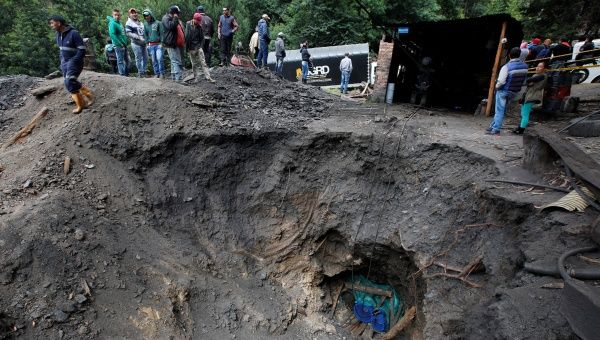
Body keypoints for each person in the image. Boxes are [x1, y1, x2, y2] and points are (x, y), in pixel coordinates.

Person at [48, 15, 93, 114]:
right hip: (65, 62)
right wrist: (62, 62)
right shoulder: (58, 35)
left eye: (52, 23)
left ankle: (80, 106)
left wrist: (74, 60)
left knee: (69, 81)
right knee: (70, 82)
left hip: (74, 61)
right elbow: (62, 50)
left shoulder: (74, 33)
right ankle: (87, 95)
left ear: (59, 23)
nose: (51, 25)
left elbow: (82, 50)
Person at [486, 47, 528, 135]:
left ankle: (495, 129)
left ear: (509, 55)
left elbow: (501, 81)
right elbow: (524, 81)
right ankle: (493, 125)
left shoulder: (506, 67)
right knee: (502, 110)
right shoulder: (525, 66)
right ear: (519, 55)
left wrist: (497, 87)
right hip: (514, 91)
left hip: (504, 91)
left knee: (499, 110)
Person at [513, 62, 547, 134]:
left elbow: (528, 80)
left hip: (532, 96)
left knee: (525, 114)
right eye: (537, 66)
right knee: (523, 113)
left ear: (544, 69)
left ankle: (521, 130)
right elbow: (528, 82)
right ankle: (520, 127)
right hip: (527, 96)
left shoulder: (543, 76)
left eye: (540, 67)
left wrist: (531, 81)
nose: (537, 68)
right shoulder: (536, 75)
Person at [185, 13, 215, 83]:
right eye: (198, 21)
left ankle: (208, 77)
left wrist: (199, 47)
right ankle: (196, 78)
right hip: (191, 48)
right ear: (194, 19)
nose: (199, 23)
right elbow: (187, 37)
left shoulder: (200, 26)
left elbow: (202, 39)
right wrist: (188, 49)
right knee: (194, 64)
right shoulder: (188, 25)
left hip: (198, 47)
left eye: (199, 21)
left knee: (203, 62)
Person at [162, 6, 185, 81]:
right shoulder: (166, 18)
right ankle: (179, 79)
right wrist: (175, 18)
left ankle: (174, 79)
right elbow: (170, 26)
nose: (178, 15)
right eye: (177, 13)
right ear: (175, 13)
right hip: (171, 43)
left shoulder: (172, 18)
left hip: (175, 43)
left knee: (174, 61)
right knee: (176, 61)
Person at [142, 9, 165, 78]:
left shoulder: (158, 23)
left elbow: (162, 34)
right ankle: (156, 73)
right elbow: (145, 35)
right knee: (154, 60)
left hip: (158, 44)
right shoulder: (145, 24)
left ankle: (162, 73)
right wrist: (146, 44)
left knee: (159, 59)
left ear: (150, 15)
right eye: (145, 16)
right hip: (151, 45)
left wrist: (162, 43)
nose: (146, 17)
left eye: (147, 15)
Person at [106, 9, 129, 76]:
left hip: (124, 44)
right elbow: (112, 34)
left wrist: (125, 42)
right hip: (118, 45)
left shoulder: (120, 23)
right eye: (115, 15)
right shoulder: (112, 23)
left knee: (127, 61)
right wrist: (119, 43)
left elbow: (122, 34)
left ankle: (126, 74)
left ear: (120, 16)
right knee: (120, 60)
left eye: (118, 15)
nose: (117, 16)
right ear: (113, 15)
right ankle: (122, 75)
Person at [125, 8, 147, 77]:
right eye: (132, 13)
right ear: (130, 14)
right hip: (136, 43)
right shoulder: (128, 22)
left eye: (135, 12)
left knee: (146, 58)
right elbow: (128, 33)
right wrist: (138, 37)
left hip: (144, 43)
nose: (134, 14)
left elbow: (144, 33)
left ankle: (143, 71)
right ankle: (140, 73)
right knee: (138, 58)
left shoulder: (140, 22)